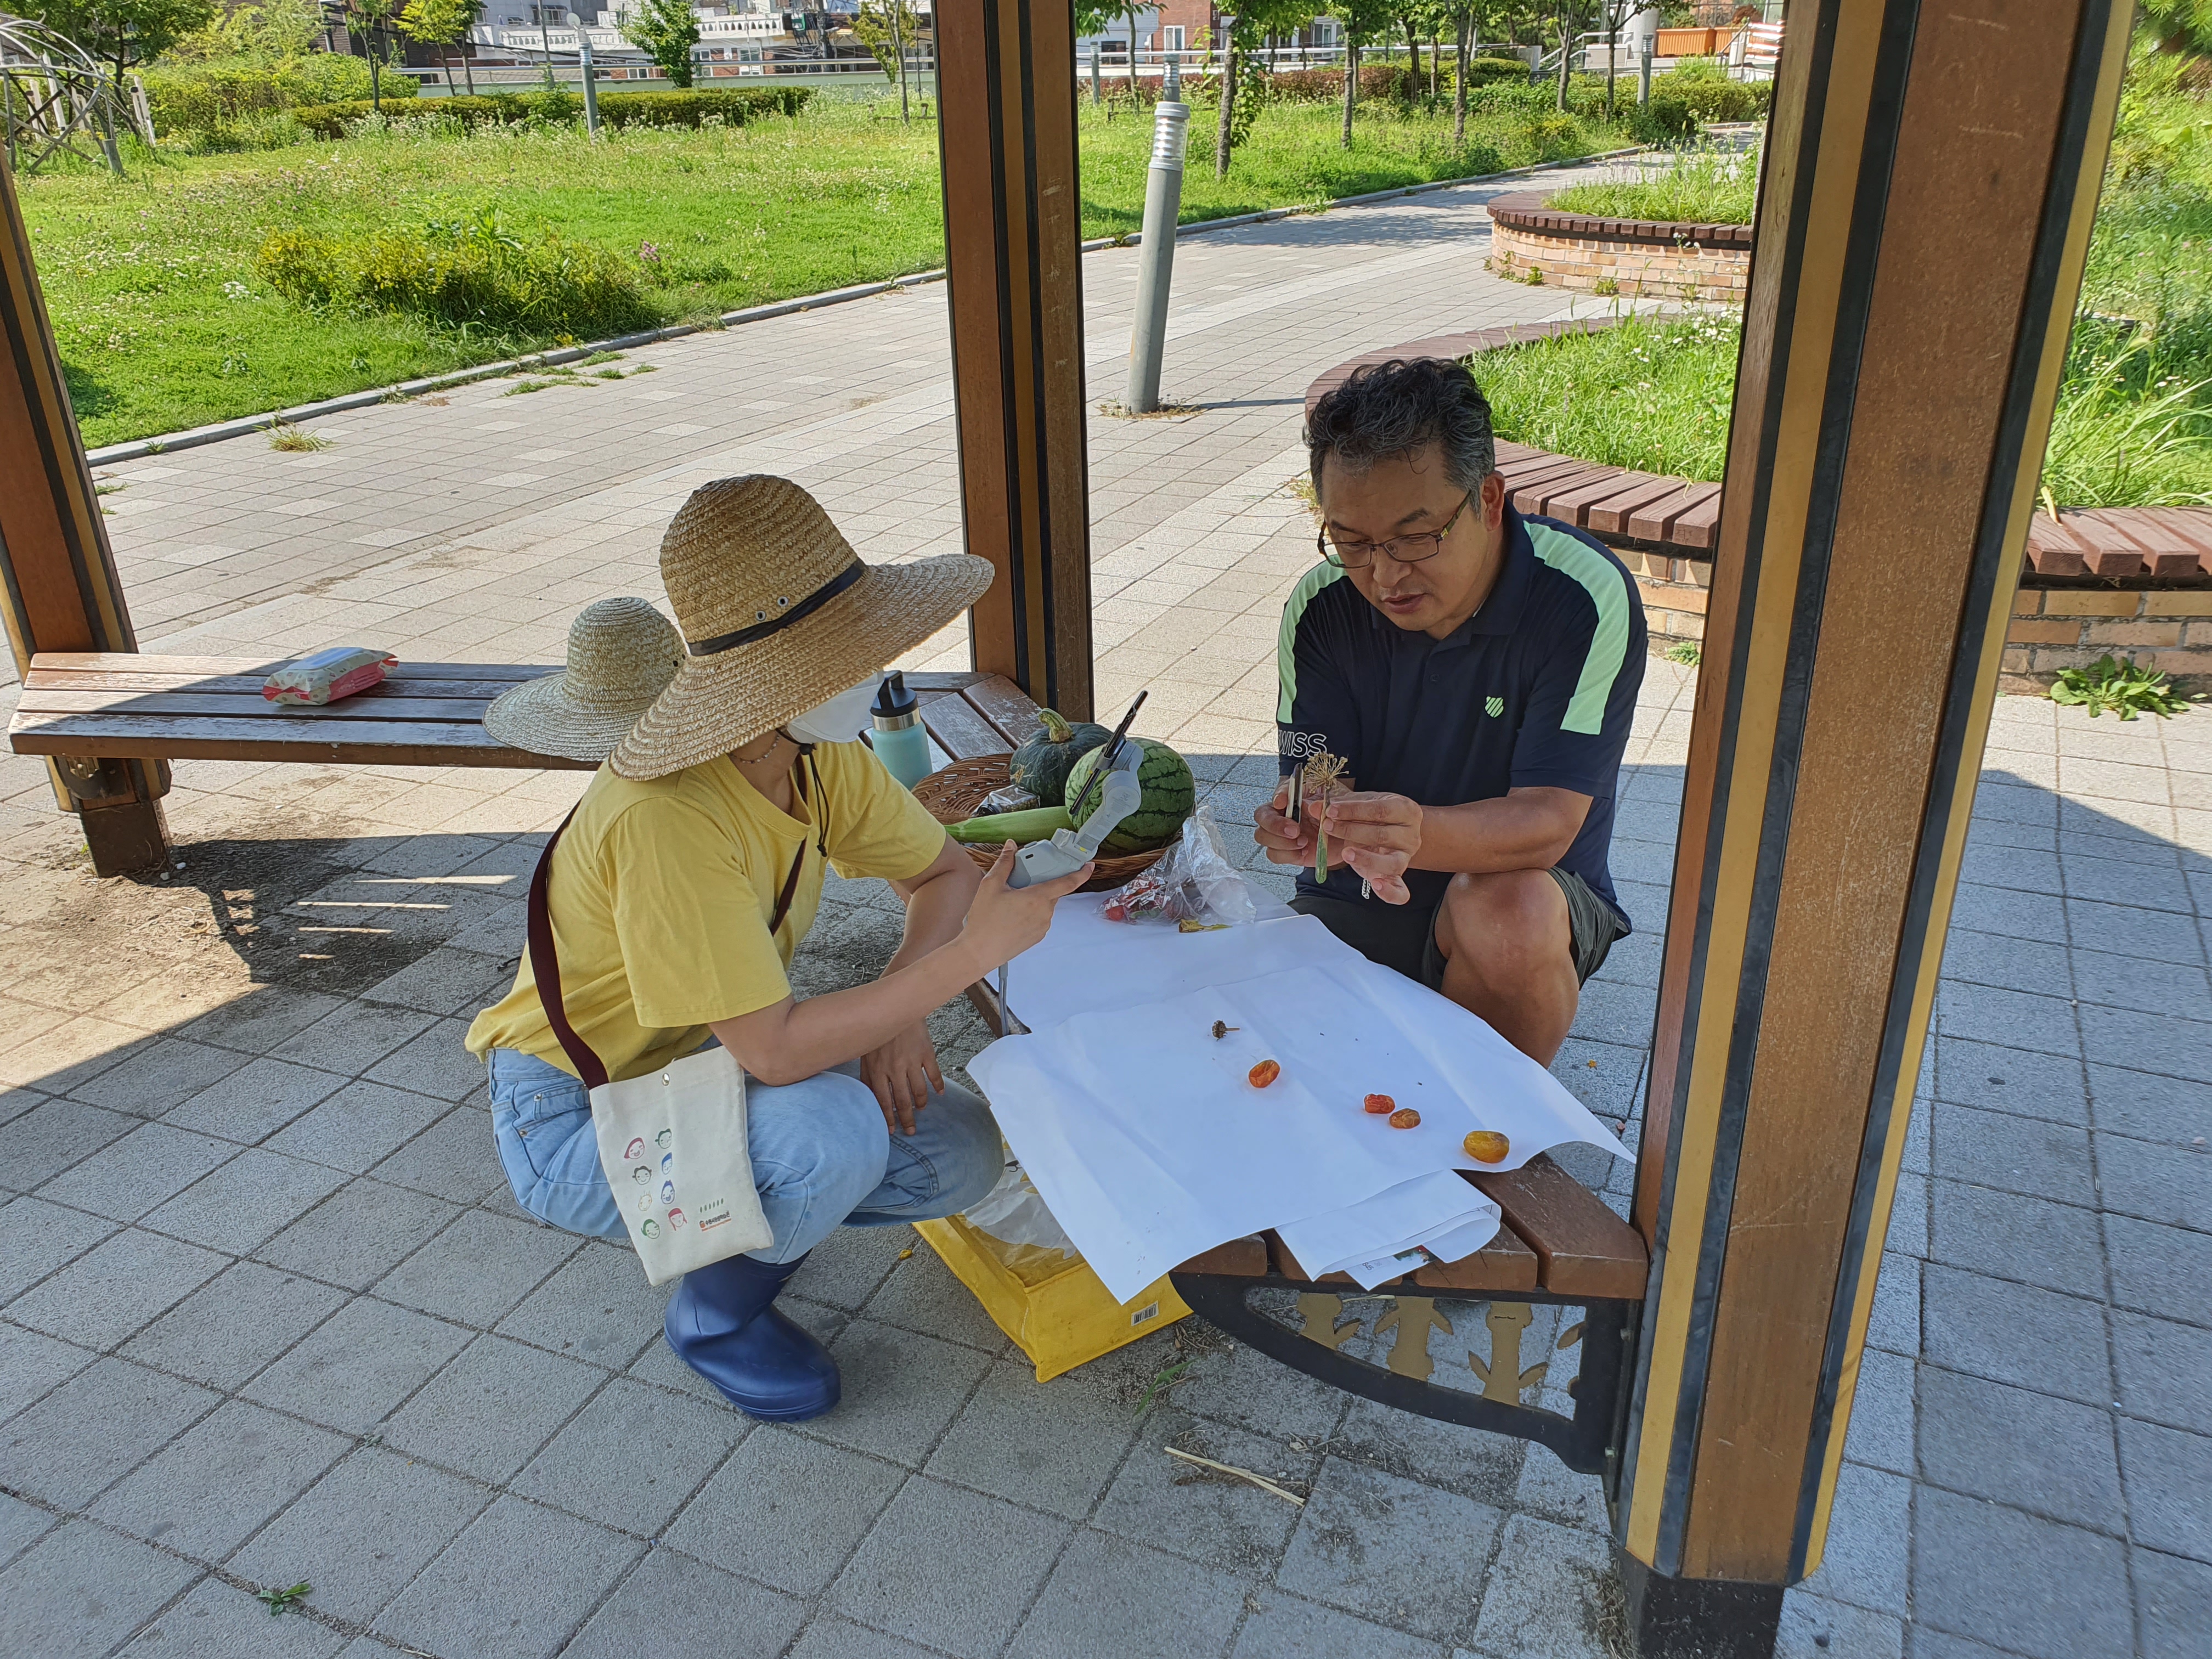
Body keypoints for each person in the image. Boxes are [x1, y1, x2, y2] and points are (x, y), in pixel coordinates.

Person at [466, 475, 1090, 1421]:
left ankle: (752, 1204)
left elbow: (942, 875)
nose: (879, 672)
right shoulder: (664, 819)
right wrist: (957, 966)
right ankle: (714, 1315)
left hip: (703, 1060)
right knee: (832, 1134)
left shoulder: (814, 754)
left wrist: (902, 1008)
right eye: (851, 655)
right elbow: (777, 1051)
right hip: (575, 1114)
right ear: (774, 683)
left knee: (959, 1153)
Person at [1256, 357, 1646, 1065]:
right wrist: (1308, 820)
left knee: (1505, 915)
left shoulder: (1579, 594)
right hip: (1358, 895)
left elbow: (1548, 824)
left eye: (1415, 537)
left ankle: (1495, 1124)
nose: (1384, 575)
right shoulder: (1321, 605)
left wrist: (1412, 835)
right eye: (1352, 541)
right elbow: (1321, 775)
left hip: (1531, 898)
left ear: (1489, 501)